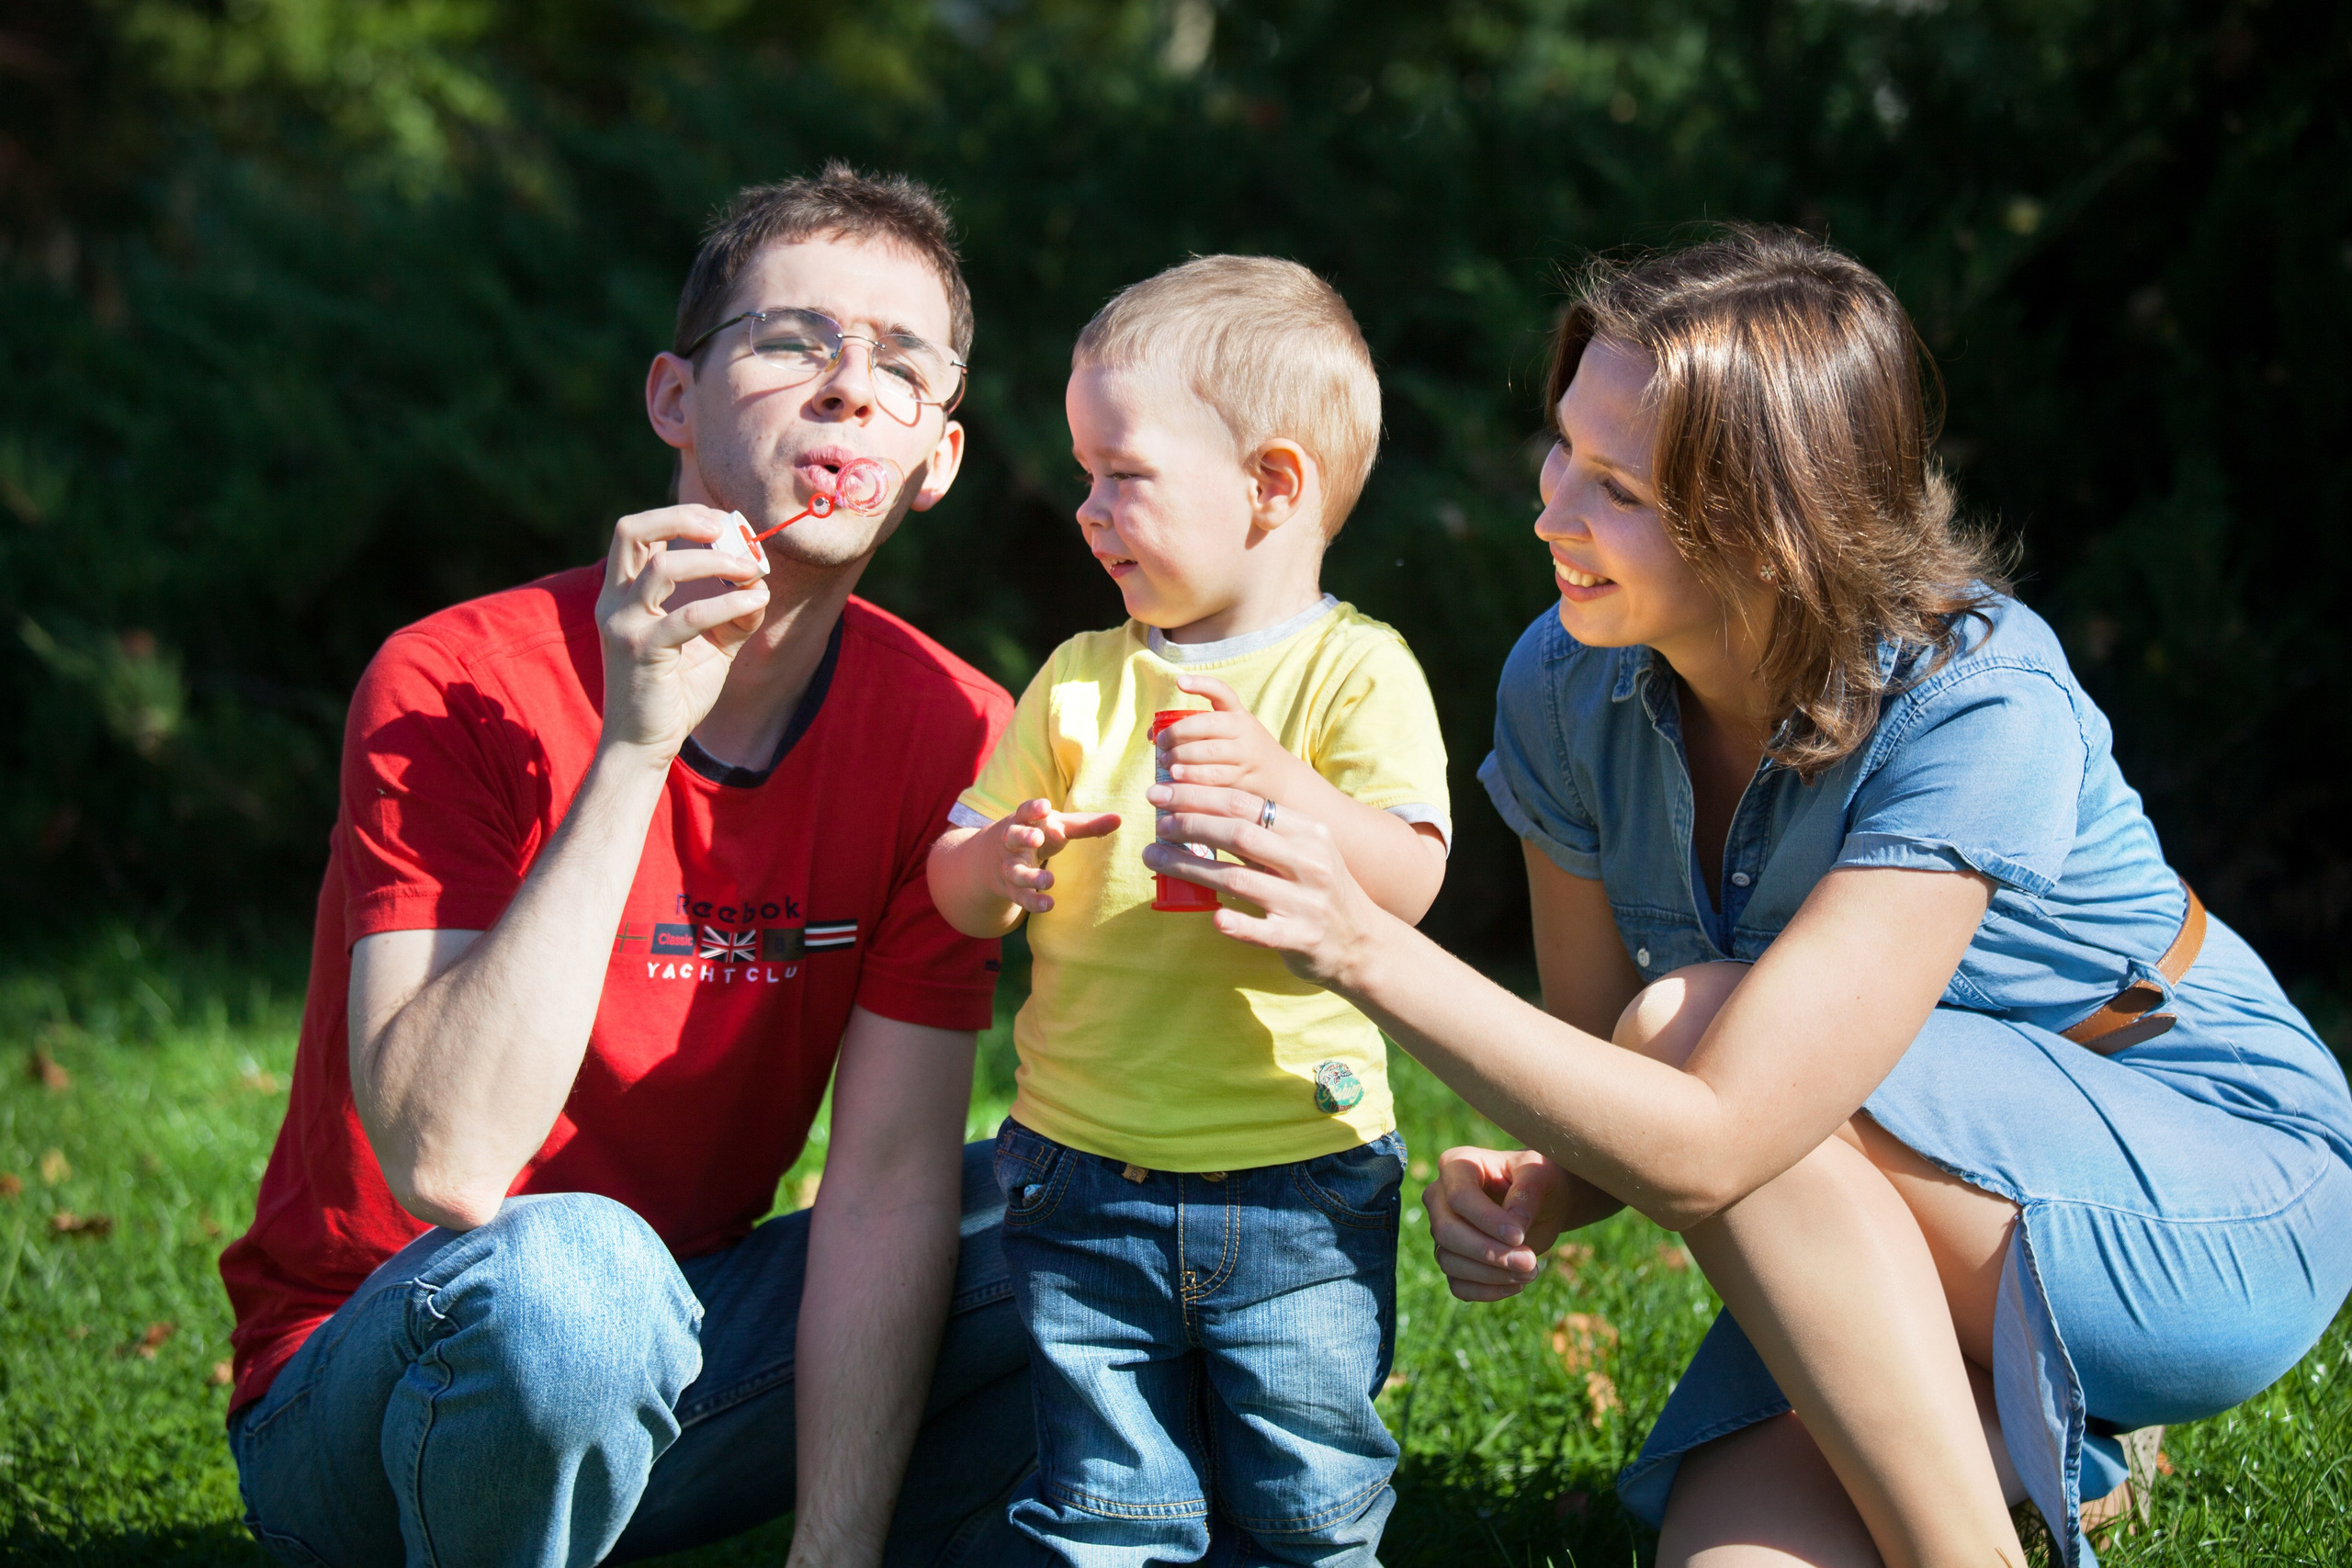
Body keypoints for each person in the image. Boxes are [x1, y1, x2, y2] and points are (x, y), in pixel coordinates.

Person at [1139, 228, 2352, 1568]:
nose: (1551, 510)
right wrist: (1550, 1188)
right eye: (1562, 450)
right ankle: (2038, 1433)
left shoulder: (1978, 698)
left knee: (1698, 1027)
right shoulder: (1566, 678)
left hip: (2214, 1185)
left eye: (1616, 487)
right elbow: (1617, 1066)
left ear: (1774, 524)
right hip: (1882, 1196)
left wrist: (1363, 945)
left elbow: (1710, 1127)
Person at [218, 164, 1038, 1568]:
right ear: (673, 400)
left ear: (937, 460)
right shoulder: (455, 681)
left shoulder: (955, 729)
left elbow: (891, 1181)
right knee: (578, 1276)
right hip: (383, 1386)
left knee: (1076, 1211)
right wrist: (634, 750)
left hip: (690, 1358)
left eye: (903, 368)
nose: (848, 389)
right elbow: (450, 1163)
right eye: (792, 342)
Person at [925, 255, 1453, 1566]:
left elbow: (1412, 880)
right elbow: (950, 870)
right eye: (1084, 474)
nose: (1087, 508)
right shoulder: (1080, 680)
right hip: (1077, 1171)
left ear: (1273, 486)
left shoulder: (1353, 674)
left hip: (1298, 1176)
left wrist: (1287, 795)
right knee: (1105, 1499)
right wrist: (994, 864)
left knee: (1309, 1493)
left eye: (1124, 474)